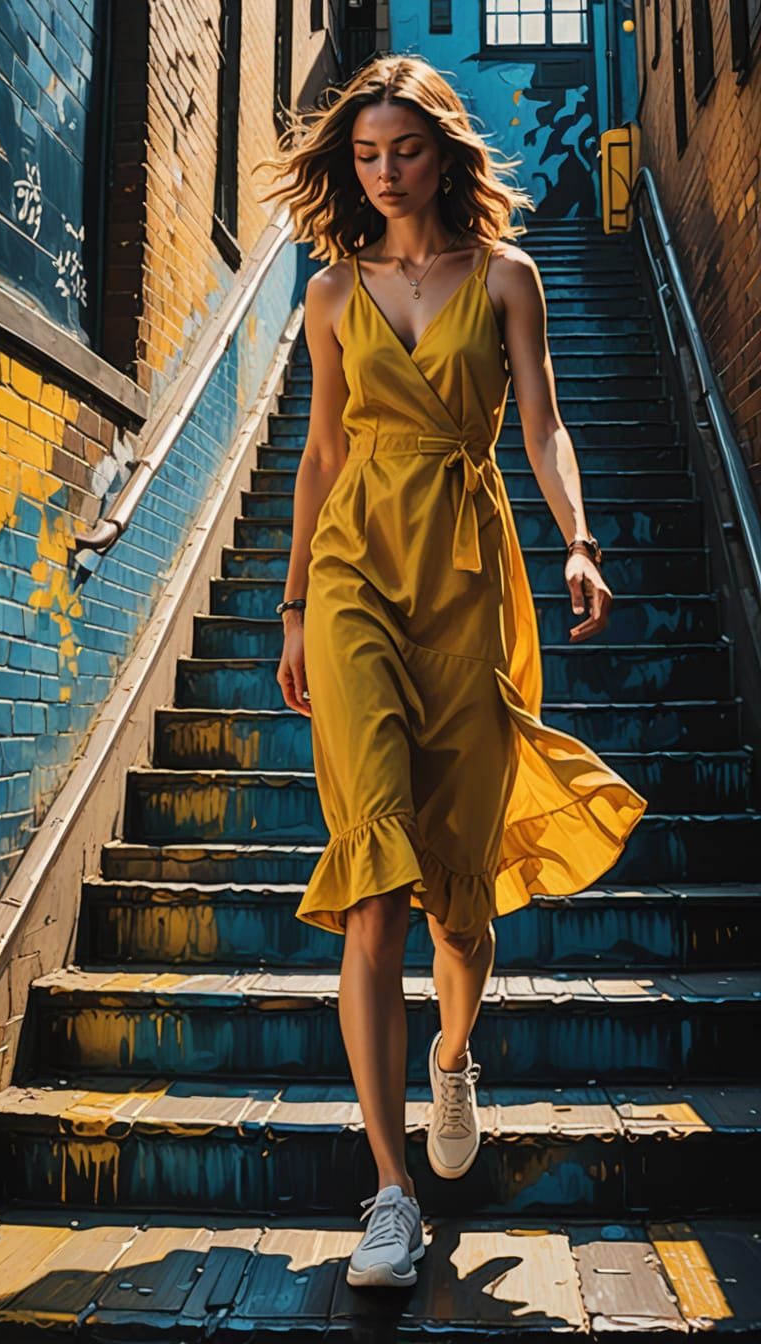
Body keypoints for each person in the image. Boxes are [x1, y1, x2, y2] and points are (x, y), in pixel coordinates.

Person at [254, 54, 647, 1290]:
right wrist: (296, 607)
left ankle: (455, 1055)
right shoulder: (329, 295)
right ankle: (389, 1191)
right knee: (374, 873)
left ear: (442, 152)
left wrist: (578, 539)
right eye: (363, 155)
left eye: (402, 152)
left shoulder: (510, 278)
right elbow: (320, 454)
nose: (381, 173)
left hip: (472, 586)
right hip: (357, 575)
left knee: (457, 903)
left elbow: (542, 422)